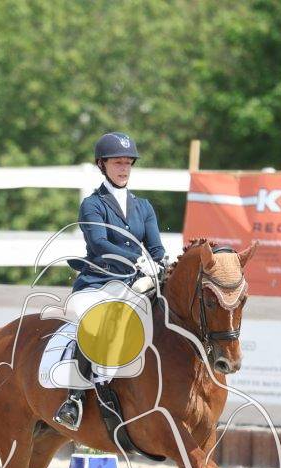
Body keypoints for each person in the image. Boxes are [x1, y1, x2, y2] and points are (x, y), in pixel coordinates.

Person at [53, 131, 166, 431]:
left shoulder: (144, 207)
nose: (124, 168)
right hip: (100, 280)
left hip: (137, 282)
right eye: (117, 162)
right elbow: (100, 244)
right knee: (94, 323)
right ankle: (74, 399)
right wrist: (136, 260)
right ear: (102, 164)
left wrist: (159, 263)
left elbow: (156, 247)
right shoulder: (93, 204)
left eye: (128, 162)